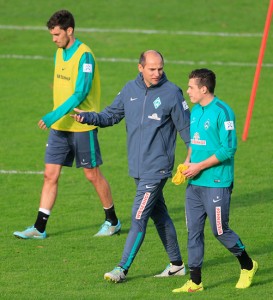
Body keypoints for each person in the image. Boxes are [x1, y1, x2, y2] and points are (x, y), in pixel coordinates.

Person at [71, 50, 191, 282]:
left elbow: (187, 131)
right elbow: (111, 116)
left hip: (157, 168)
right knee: (160, 214)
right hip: (137, 167)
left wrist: (190, 160)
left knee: (138, 216)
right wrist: (89, 117)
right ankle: (176, 265)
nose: (157, 73)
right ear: (140, 68)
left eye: (160, 68)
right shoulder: (130, 89)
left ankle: (121, 269)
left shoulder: (172, 93)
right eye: (152, 69)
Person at [13, 10, 121, 239]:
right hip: (60, 128)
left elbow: (80, 92)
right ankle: (39, 228)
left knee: (92, 175)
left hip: (82, 125)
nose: (53, 39)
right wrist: (56, 118)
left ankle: (112, 221)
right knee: (50, 174)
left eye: (56, 34)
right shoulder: (59, 53)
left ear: (69, 31)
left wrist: (53, 115)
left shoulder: (85, 56)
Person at [172, 68, 258, 293]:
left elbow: (229, 149)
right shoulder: (196, 110)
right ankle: (195, 282)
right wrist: (187, 163)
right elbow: (194, 141)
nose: (188, 91)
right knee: (193, 231)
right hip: (195, 184)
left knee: (219, 230)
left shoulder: (223, 111)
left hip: (217, 182)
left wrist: (199, 166)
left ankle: (248, 265)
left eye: (191, 87)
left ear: (203, 88)